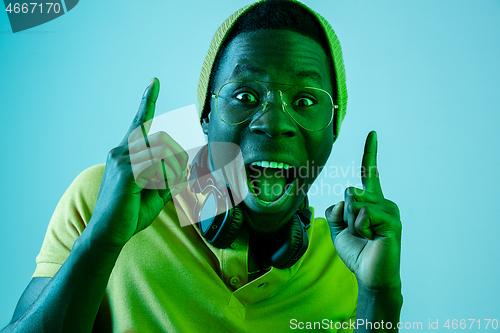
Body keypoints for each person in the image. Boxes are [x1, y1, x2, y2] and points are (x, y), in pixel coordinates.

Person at [2, 0, 403, 332]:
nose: (275, 123)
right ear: (206, 115)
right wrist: (102, 239)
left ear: (334, 129)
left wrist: (377, 296)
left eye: (304, 102)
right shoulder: (104, 200)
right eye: (245, 95)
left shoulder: (351, 258)